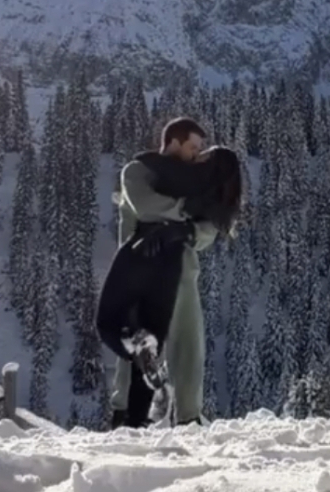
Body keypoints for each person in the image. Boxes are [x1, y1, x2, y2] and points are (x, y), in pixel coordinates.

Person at [98, 118, 243, 428]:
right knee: (139, 347)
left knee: (189, 346)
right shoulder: (137, 171)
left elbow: (208, 231)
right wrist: (187, 212)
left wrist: (187, 231)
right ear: (175, 142)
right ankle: (125, 416)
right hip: (139, 271)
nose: (197, 154)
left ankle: (189, 417)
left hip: (182, 272)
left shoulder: (190, 182)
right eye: (193, 147)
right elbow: (147, 206)